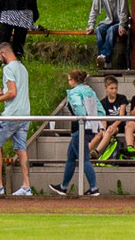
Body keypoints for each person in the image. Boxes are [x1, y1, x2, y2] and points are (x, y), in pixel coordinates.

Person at [0, 39, 33, 196]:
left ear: (3, 53)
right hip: (25, 114)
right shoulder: (22, 68)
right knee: (21, 149)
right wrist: (1, 92)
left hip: (12, 115)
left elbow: (13, 92)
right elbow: (14, 92)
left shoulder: (8, 68)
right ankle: (26, 186)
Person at [47, 69, 104, 197]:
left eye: (69, 80)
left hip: (80, 127)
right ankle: (63, 186)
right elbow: (100, 109)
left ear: (73, 81)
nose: (68, 82)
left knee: (84, 159)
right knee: (71, 157)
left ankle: (94, 188)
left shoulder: (74, 92)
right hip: (90, 127)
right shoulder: (90, 91)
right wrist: (97, 122)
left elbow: (78, 107)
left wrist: (82, 118)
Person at [86, 0, 129, 69]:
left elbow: (123, 8)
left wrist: (122, 25)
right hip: (109, 19)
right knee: (99, 30)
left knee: (111, 31)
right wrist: (91, 25)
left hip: (120, 20)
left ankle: (104, 57)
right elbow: (95, 8)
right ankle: (105, 60)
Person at [92, 76, 130, 162]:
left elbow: (122, 116)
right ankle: (85, 152)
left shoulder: (122, 98)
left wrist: (112, 126)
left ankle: (97, 151)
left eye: (116, 88)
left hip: (118, 125)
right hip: (108, 125)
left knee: (109, 131)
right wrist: (103, 129)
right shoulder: (103, 102)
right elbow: (103, 119)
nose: (114, 91)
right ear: (106, 89)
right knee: (99, 134)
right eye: (111, 88)